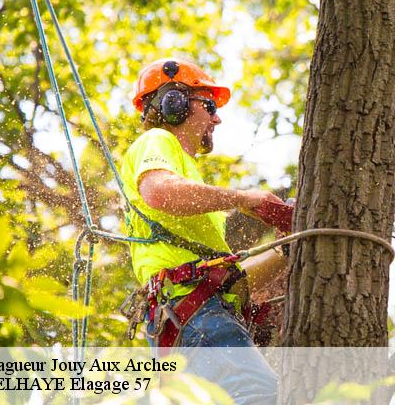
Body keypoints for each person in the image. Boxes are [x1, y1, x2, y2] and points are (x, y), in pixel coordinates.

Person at [120, 57, 285, 403]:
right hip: (193, 313)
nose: (216, 117)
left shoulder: (189, 177)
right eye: (208, 104)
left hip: (198, 313)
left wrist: (286, 250)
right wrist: (244, 200)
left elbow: (225, 280)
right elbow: (160, 192)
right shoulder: (157, 142)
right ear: (174, 103)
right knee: (258, 392)